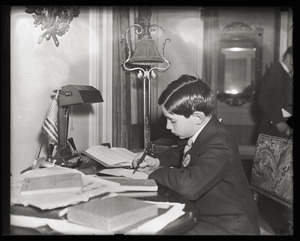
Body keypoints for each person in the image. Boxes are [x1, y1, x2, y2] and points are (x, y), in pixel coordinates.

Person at [132, 74, 260, 235]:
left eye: (172, 120)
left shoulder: (220, 143)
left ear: (197, 117)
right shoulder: (204, 132)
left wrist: (154, 173)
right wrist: (157, 161)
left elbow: (189, 186)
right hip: (206, 215)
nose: (168, 127)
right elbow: (183, 151)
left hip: (228, 226)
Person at [258, 46, 293, 138]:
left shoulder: (286, 74)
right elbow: (263, 99)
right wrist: (276, 121)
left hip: (280, 129)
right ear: (289, 57)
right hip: (272, 130)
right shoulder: (275, 72)